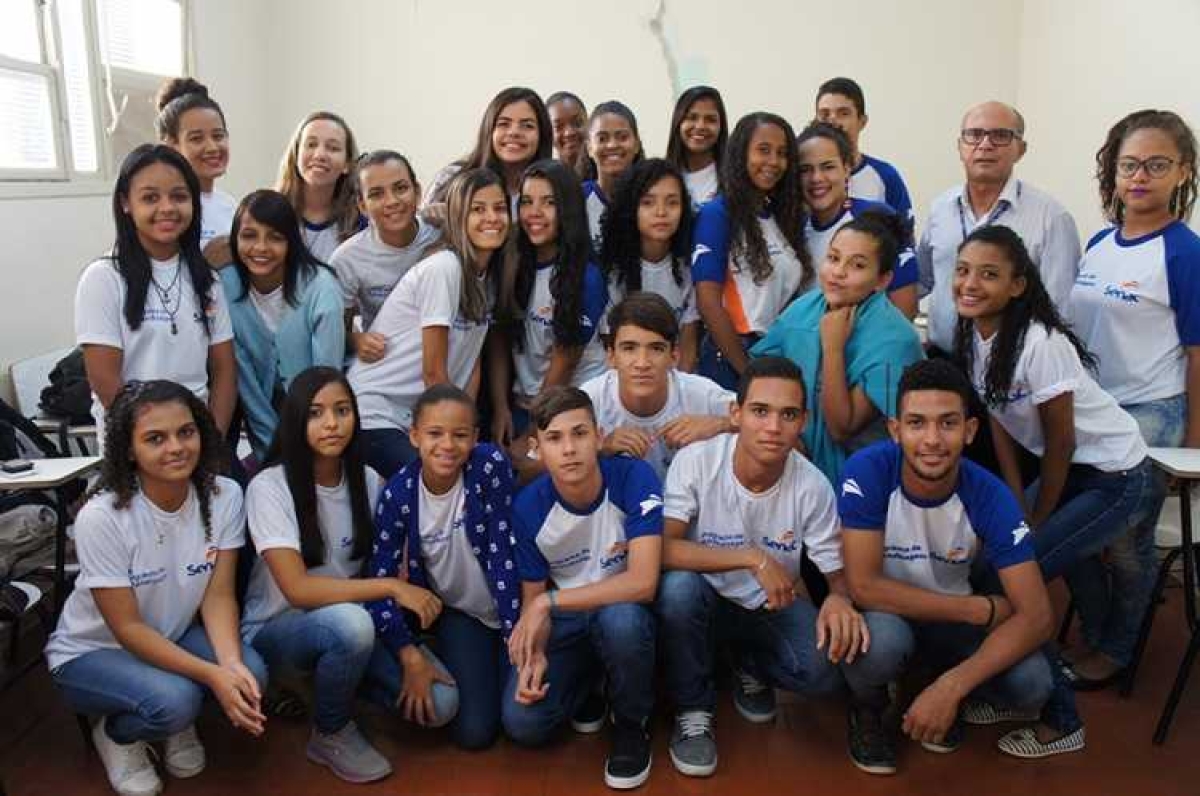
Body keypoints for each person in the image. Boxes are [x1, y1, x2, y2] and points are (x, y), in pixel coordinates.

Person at [839, 360, 1085, 776]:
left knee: (1032, 684)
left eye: (948, 423)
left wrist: (951, 687)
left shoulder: (991, 495)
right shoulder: (868, 471)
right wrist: (976, 610)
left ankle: (943, 684)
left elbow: (1038, 616)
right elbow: (863, 587)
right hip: (892, 615)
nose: (932, 440)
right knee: (877, 645)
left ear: (969, 431)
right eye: (916, 423)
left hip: (950, 629)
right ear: (895, 430)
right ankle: (869, 708)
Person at [954, 226, 1163, 691]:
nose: (970, 283)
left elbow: (1061, 441)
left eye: (988, 274)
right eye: (963, 270)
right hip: (1069, 468)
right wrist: (1015, 500)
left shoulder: (1040, 343)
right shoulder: (973, 335)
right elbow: (999, 420)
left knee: (1026, 562)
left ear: (1017, 285)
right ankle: (1093, 638)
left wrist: (1039, 516)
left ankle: (1111, 654)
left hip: (1114, 471)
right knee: (1070, 557)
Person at [45, 380, 266, 796]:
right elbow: (128, 629)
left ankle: (171, 714)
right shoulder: (102, 517)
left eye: (186, 432)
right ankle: (119, 734)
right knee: (177, 701)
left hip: (170, 634)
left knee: (251, 675)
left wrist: (231, 664)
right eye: (155, 438)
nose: (176, 447)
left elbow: (218, 596)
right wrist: (212, 675)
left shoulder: (225, 496)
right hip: (92, 651)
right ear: (129, 450)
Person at [241, 367, 457, 784]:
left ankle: (332, 681)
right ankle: (331, 730)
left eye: (342, 410)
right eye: (316, 413)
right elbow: (297, 590)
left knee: (442, 704)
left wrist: (409, 653)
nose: (332, 423)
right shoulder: (270, 486)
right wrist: (392, 587)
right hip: (278, 630)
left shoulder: (369, 481)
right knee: (351, 624)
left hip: (354, 624)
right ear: (295, 420)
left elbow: (382, 569)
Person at [656, 356, 866, 778]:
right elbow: (662, 550)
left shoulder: (813, 485)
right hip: (704, 599)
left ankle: (746, 663)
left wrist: (839, 600)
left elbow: (838, 580)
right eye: (760, 411)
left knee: (824, 672)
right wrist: (754, 558)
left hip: (767, 607)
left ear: (804, 421)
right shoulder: (697, 460)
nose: (773, 427)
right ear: (735, 414)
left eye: (788, 415)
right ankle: (694, 710)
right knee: (677, 590)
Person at [1066, 109, 1200, 685]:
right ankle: (1102, 632)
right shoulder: (1100, 243)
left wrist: (1192, 445)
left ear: (1183, 171)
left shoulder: (1185, 254)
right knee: (1067, 534)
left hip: (1151, 415)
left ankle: (1117, 652)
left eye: (1156, 165)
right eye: (1129, 165)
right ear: (1113, 172)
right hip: (1092, 412)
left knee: (1122, 544)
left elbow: (1198, 353)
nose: (1140, 176)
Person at [502, 387, 663, 790]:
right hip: (570, 621)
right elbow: (532, 601)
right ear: (537, 448)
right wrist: (535, 653)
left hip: (624, 609)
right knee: (523, 723)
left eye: (579, 433)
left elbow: (643, 582)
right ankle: (592, 681)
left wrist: (549, 602)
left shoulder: (633, 476)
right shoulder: (527, 507)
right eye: (554, 438)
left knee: (622, 622)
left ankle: (631, 723)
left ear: (599, 436)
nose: (569, 449)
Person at [366, 384, 519, 750]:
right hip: (463, 615)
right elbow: (379, 582)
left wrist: (515, 630)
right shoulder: (398, 495)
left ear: (475, 438)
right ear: (414, 436)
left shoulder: (488, 466)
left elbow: (502, 552)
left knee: (521, 721)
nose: (447, 445)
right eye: (435, 433)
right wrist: (407, 651)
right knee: (474, 733)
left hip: (514, 607)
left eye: (460, 435)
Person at [348, 168, 508, 478]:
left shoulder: (487, 278)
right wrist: (455, 438)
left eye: (499, 208)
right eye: (478, 209)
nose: (492, 218)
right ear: (459, 217)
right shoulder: (444, 268)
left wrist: (467, 433)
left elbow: (470, 364)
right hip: (376, 416)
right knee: (437, 480)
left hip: (422, 421)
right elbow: (434, 372)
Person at [75, 144, 236, 451]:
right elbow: (105, 379)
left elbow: (224, 369)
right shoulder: (104, 278)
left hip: (195, 446)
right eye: (150, 198)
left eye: (179, 196)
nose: (167, 208)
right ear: (126, 203)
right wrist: (154, 443)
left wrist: (211, 443)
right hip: (133, 448)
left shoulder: (207, 280)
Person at [752, 212, 924, 485]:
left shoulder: (895, 339)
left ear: (882, 280)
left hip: (860, 478)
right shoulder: (803, 310)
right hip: (794, 464)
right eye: (833, 258)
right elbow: (762, 380)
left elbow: (842, 428)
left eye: (857, 265)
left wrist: (833, 348)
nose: (839, 272)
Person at [918, 101, 1081, 355]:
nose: (985, 144)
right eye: (974, 135)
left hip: (1011, 365)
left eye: (1000, 135)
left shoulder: (1051, 218)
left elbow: (1059, 309)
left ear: (1021, 149)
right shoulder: (941, 208)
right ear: (960, 146)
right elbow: (922, 281)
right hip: (943, 357)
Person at [489, 160, 608, 457]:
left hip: (570, 408)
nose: (535, 213)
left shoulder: (586, 277)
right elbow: (500, 337)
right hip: (523, 403)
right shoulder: (512, 260)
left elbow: (565, 364)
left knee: (523, 471)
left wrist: (532, 434)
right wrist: (500, 406)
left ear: (568, 209)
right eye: (527, 202)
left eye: (549, 202)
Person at [220, 189, 345, 459]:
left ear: (291, 241)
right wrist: (271, 452)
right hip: (261, 413)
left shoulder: (321, 287)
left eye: (275, 237)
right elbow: (245, 381)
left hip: (319, 413)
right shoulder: (225, 286)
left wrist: (308, 445)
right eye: (249, 236)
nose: (261, 248)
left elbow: (326, 377)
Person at [692, 112, 809, 390]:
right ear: (741, 153)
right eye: (763, 150)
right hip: (731, 357)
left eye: (782, 153)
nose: (773, 161)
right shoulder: (718, 214)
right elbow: (708, 302)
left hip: (774, 353)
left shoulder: (782, 218)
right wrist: (748, 372)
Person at [582, 292, 733, 481]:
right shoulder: (590, 399)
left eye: (656, 349)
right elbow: (548, 459)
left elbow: (762, 417)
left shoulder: (701, 393)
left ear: (674, 356)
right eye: (629, 348)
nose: (642, 363)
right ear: (611, 356)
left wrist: (720, 424)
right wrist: (599, 447)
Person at [796, 121, 918, 318]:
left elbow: (906, 308)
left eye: (828, 167)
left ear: (847, 168)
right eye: (805, 169)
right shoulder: (793, 226)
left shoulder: (877, 217)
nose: (816, 178)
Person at [330, 150, 442, 357]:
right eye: (376, 194)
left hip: (441, 354)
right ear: (362, 206)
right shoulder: (347, 258)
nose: (391, 201)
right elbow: (333, 333)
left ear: (417, 192)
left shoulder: (441, 234)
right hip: (385, 359)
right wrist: (356, 340)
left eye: (400, 188)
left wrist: (454, 216)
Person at [598, 157, 700, 369]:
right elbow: (612, 347)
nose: (661, 212)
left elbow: (688, 344)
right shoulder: (613, 271)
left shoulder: (689, 265)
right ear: (631, 208)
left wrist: (678, 386)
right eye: (648, 202)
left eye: (672, 202)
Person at [425, 87, 553, 208]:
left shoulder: (555, 187)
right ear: (489, 130)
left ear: (542, 134)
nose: (514, 132)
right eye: (504, 124)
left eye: (527, 126)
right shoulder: (451, 178)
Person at [155, 77, 234, 268]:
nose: (212, 147)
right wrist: (206, 262)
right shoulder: (164, 211)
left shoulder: (230, 205)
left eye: (218, 136)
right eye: (197, 139)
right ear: (171, 145)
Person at [814, 77, 914, 223]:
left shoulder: (886, 176)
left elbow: (905, 233)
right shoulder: (805, 179)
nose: (833, 121)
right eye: (825, 114)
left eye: (843, 113)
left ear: (862, 121)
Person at [276, 111, 363, 262]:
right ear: (296, 155)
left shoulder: (362, 222)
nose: (319, 155)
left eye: (333, 148)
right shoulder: (270, 214)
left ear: (347, 164)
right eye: (311, 145)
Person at [583, 101, 645, 252]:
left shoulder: (651, 196)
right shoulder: (576, 199)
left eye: (622, 137)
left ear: (637, 144)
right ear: (589, 148)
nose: (612, 145)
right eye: (602, 139)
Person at [664, 86, 728, 208]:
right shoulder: (661, 177)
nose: (700, 126)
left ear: (721, 126)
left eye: (710, 119)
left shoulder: (734, 177)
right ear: (678, 123)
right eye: (692, 118)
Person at [546, 91, 592, 180]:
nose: (569, 133)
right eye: (558, 126)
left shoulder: (603, 173)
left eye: (577, 123)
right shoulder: (544, 180)